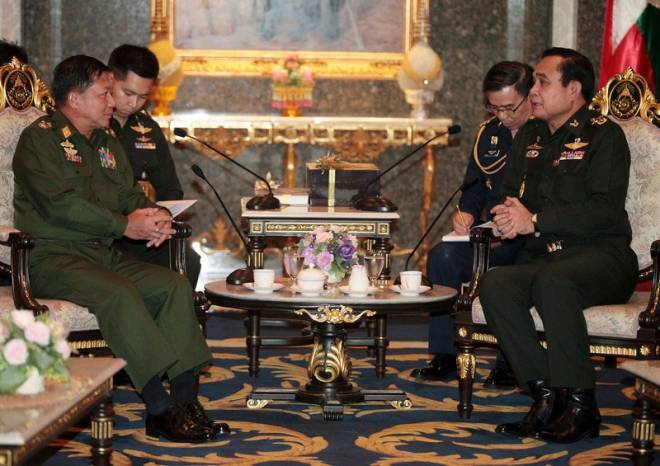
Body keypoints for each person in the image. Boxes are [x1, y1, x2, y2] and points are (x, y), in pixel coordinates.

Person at [12, 55, 229, 443]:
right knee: (120, 293)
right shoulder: (40, 139)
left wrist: (155, 216)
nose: (112, 102)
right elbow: (61, 206)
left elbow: (127, 194)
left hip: (100, 254)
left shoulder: (105, 141)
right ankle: (159, 409)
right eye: (104, 94)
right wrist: (125, 225)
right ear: (75, 98)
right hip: (51, 257)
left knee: (173, 286)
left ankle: (185, 403)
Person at [480, 48, 638, 443]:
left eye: (542, 81)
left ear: (573, 90)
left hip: (603, 257)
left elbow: (604, 210)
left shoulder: (604, 135)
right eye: (534, 81)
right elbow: (511, 195)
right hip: (547, 257)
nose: (532, 90)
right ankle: (545, 396)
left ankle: (582, 405)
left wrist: (534, 221)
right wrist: (506, 216)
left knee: (555, 282)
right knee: (496, 284)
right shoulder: (531, 135)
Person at [411, 62, 532, 387]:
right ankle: (446, 355)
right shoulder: (488, 133)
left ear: (529, 96)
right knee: (441, 257)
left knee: (514, 273)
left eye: (509, 108)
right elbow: (474, 187)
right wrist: (465, 212)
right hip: (487, 236)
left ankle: (509, 362)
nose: (503, 116)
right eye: (494, 108)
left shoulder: (545, 133)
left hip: (528, 237)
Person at [107, 44, 201, 288]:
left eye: (143, 97)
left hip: (148, 231)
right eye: (128, 93)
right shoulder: (94, 125)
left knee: (188, 261)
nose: (134, 103)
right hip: (110, 231)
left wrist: (163, 217)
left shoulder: (148, 128)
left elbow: (170, 188)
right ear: (110, 79)